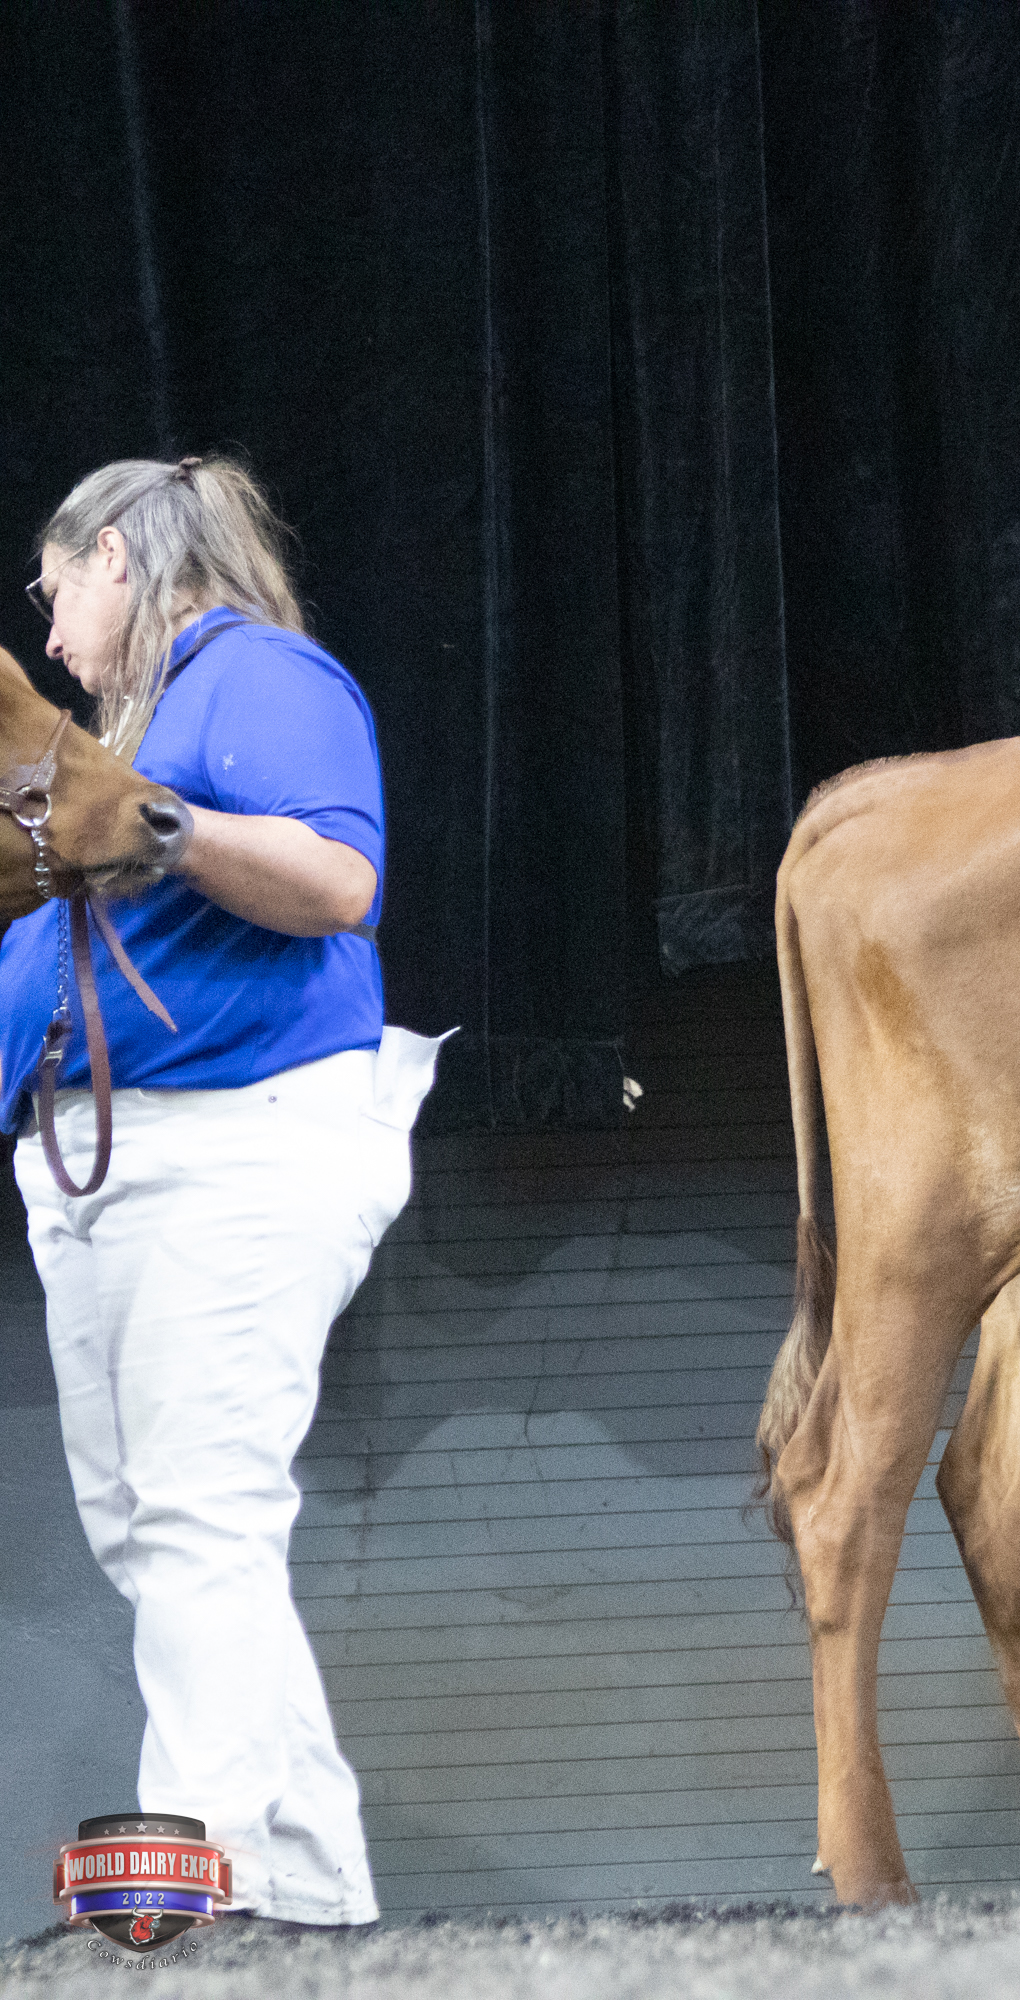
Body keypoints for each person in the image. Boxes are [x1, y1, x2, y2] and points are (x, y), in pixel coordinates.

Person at [10, 455, 445, 1932]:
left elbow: (337, 879)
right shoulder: (122, 735)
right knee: (160, 1533)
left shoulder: (254, 674)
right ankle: (311, 1894)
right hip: (110, 1164)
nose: (50, 634)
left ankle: (198, 1886)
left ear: (119, 557)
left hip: (237, 1143)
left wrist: (162, 826)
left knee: (199, 1511)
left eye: (55, 590)